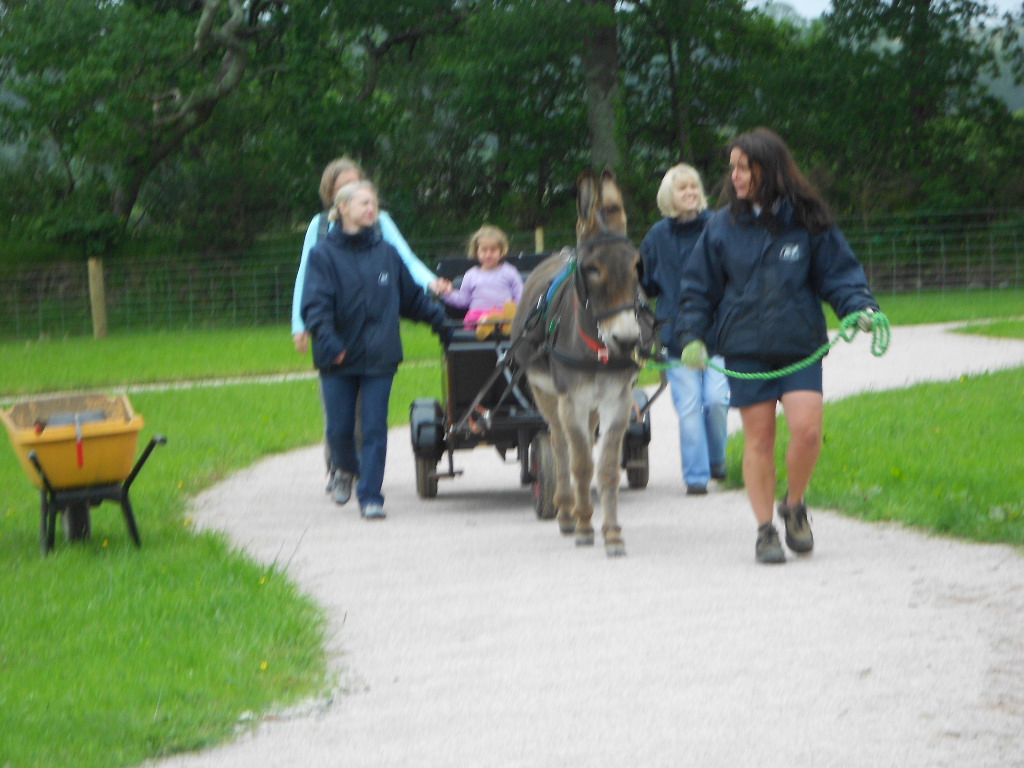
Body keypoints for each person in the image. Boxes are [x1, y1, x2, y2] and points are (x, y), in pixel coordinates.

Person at [675, 127, 880, 564]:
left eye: (743, 167)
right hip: (747, 347)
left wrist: (859, 308)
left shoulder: (808, 220)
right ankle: (765, 528)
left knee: (807, 431)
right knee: (760, 438)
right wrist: (692, 337)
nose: (734, 177)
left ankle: (794, 504)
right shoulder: (720, 229)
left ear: (767, 169)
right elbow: (697, 290)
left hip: (799, 344)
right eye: (732, 168)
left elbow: (840, 274)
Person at [301, 180, 449, 520]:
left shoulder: (387, 253)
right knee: (339, 431)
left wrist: (443, 324)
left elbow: (412, 300)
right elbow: (315, 306)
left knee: (373, 427)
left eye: (374, 203)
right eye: (365, 203)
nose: (372, 209)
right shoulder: (322, 255)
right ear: (343, 209)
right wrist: (330, 342)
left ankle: (371, 496)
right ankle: (346, 467)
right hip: (337, 358)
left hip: (380, 357)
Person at [291, 156, 449, 354]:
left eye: (356, 183)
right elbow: (305, 276)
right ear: (331, 194)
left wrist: (432, 283)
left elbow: (406, 259)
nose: (353, 189)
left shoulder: (380, 222)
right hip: (333, 325)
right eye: (344, 185)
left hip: (375, 326)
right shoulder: (320, 225)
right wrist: (299, 323)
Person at [640, 163, 730, 497]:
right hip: (676, 337)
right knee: (690, 407)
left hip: (719, 333)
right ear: (670, 196)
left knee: (717, 399)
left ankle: (718, 459)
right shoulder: (656, 237)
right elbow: (644, 284)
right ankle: (696, 476)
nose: (691, 193)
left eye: (694, 187)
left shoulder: (719, 226)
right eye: (683, 188)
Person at [438, 225, 523, 340]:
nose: (488, 254)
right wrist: (447, 293)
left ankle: (498, 325)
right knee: (481, 320)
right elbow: (463, 300)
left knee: (507, 316)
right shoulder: (471, 275)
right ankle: (486, 325)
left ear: (501, 251)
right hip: (478, 317)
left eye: (493, 250)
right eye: (484, 250)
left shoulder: (510, 271)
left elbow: (520, 294)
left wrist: (517, 310)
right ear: (476, 252)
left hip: (503, 316)